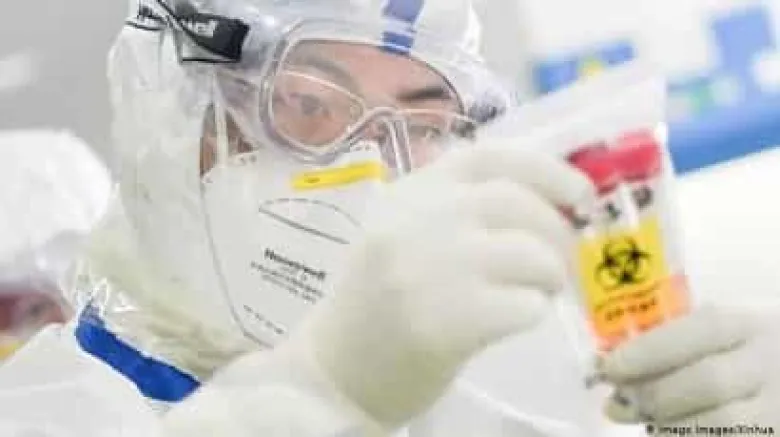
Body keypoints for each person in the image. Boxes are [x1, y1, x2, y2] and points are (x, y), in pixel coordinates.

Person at [1, 1, 778, 437]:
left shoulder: (503, 403)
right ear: (171, 118)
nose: (369, 172)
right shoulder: (41, 413)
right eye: (307, 106)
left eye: (424, 125)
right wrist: (315, 398)